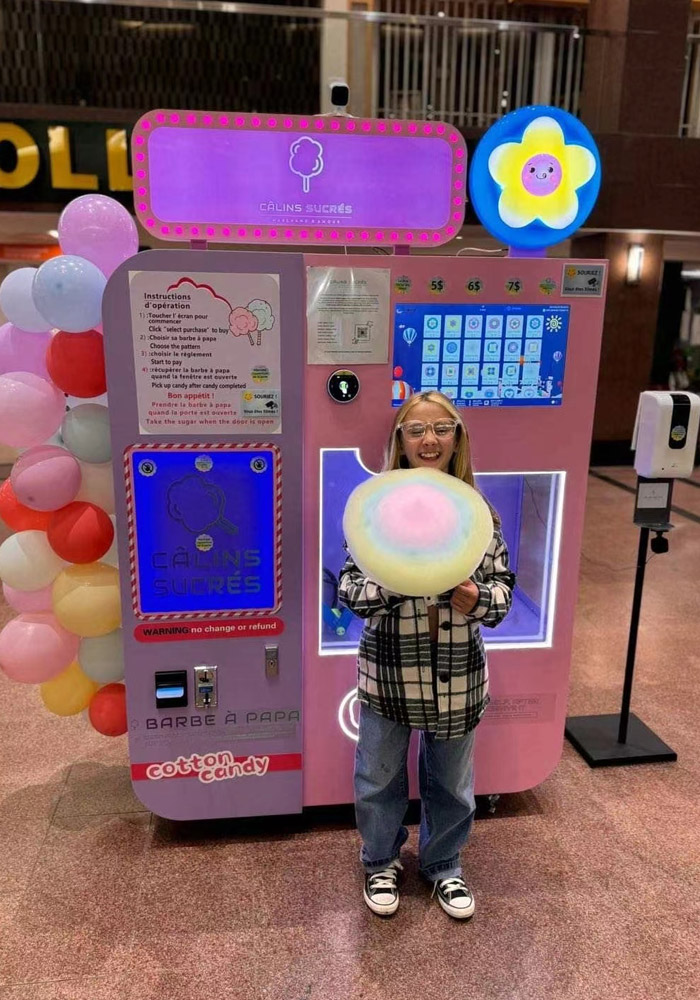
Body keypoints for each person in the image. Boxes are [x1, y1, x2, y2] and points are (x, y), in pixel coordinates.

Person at [338, 391, 514, 920]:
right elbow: (350, 592)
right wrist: (397, 582)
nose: (429, 439)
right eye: (416, 429)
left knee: (453, 783)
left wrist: (475, 597)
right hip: (389, 672)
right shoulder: (375, 511)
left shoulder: (481, 514)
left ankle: (444, 864)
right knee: (378, 776)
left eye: (441, 428)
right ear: (399, 441)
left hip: (458, 674)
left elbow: (503, 594)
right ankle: (380, 860)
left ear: (457, 437)